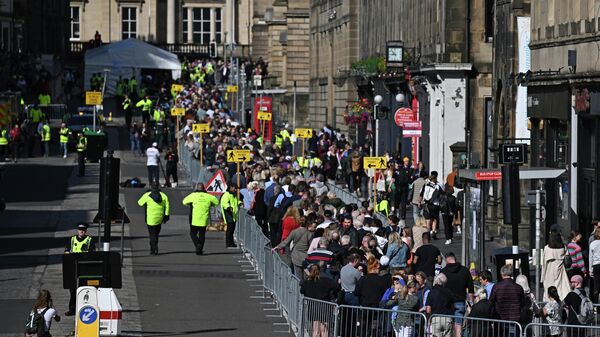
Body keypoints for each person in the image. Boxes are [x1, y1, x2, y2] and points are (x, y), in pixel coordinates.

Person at [64, 222, 96, 316]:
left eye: (83, 230)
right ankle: (72, 309)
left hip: (84, 268)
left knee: (83, 288)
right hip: (73, 266)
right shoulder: (72, 239)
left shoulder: (89, 240)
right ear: (77, 230)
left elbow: (92, 253)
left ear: (86, 231)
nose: (81, 231)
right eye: (80, 230)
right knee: (72, 289)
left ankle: (82, 307)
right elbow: (66, 251)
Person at [440, 252, 474, 337]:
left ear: (447, 260)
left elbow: (439, 287)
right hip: (460, 301)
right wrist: (472, 303)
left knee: (448, 324)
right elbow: (471, 289)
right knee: (458, 324)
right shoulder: (465, 270)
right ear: (455, 259)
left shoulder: (443, 271)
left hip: (447, 302)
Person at [182, 183, 219, 255]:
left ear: (197, 188)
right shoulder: (208, 196)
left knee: (192, 234)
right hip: (204, 219)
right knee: (202, 235)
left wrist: (190, 204)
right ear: (204, 188)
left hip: (194, 219)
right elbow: (217, 202)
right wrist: (211, 204)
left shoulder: (193, 195)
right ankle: (200, 249)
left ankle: (198, 245)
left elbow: (184, 202)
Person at [490, 264, 523, 337]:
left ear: (502, 274)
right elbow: (522, 303)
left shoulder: (496, 287)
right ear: (511, 274)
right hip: (515, 319)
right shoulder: (519, 288)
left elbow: (491, 301)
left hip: (500, 319)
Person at [137, 184, 170, 255]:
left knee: (152, 234)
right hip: (159, 218)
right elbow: (167, 206)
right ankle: (153, 248)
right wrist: (166, 215)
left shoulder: (147, 195)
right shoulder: (163, 195)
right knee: (156, 234)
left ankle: (154, 249)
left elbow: (139, 203)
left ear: (151, 187)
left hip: (150, 218)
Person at [542, 230, 571, 300]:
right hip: (560, 272)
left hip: (549, 273)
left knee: (549, 290)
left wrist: (542, 277)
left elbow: (544, 263)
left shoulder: (546, 248)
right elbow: (567, 257)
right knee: (561, 289)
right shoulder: (563, 248)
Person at [425, 273, 454, 337]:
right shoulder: (449, 292)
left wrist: (429, 319)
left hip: (436, 318)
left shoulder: (431, 292)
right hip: (448, 319)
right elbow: (453, 306)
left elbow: (428, 310)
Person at [420, 171, 443, 239]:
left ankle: (428, 233)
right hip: (435, 204)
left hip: (426, 204)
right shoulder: (438, 185)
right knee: (434, 219)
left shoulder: (426, 184)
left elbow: (421, 193)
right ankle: (433, 231)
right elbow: (439, 195)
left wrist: (421, 201)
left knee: (428, 220)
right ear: (436, 177)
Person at [589, 227, 600, 303]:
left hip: (596, 265)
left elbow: (590, 257)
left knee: (596, 286)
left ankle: (596, 305)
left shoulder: (592, 243)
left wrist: (590, 270)